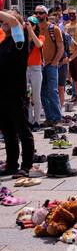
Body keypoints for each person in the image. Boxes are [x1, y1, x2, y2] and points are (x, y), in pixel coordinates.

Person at [0, 10, 35, 178]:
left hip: (16, 93)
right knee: (8, 132)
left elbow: (13, 22)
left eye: (7, 18)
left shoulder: (19, 40)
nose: (4, 22)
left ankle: (26, 165)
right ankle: (11, 164)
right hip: (2, 93)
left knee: (22, 130)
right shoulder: (4, 42)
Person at [35, 5, 64, 126]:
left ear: (46, 15)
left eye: (41, 13)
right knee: (42, 93)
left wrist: (55, 61)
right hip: (38, 65)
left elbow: (61, 47)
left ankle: (57, 118)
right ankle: (49, 118)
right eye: (36, 13)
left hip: (51, 64)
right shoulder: (34, 28)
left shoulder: (54, 29)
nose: (38, 15)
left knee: (52, 91)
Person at [48, 11, 77, 107]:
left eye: (53, 23)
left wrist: (69, 59)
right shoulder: (44, 34)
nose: (51, 26)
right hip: (49, 64)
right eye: (49, 23)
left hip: (61, 64)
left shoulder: (64, 35)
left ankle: (60, 108)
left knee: (60, 88)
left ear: (57, 24)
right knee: (49, 88)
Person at [25, 16, 44, 131]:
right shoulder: (22, 37)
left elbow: (39, 45)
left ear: (35, 26)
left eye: (31, 24)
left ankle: (37, 121)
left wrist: (31, 32)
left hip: (36, 69)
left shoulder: (41, 37)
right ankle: (29, 121)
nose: (28, 25)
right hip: (24, 69)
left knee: (36, 97)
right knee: (26, 96)